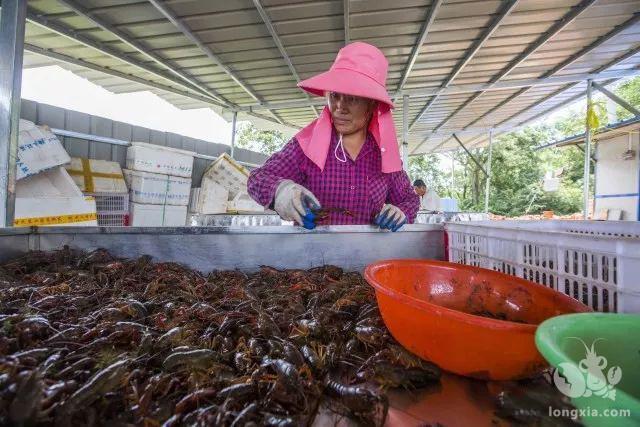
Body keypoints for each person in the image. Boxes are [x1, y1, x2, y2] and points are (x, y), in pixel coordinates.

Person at [248, 42, 419, 231]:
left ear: (372, 104)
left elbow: (409, 199)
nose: (340, 107)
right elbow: (258, 178)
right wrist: (281, 192)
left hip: (370, 256)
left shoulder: (384, 156)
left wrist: (401, 212)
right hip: (313, 255)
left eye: (352, 98)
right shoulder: (305, 147)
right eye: (335, 96)